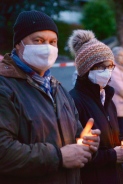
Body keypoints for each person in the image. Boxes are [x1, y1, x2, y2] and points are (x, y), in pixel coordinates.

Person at [0, 10, 101, 184]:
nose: (47, 47)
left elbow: (76, 136)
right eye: (38, 40)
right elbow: (3, 152)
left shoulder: (56, 87)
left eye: (52, 42)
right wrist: (59, 157)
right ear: (18, 44)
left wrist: (87, 144)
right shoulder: (5, 86)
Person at [68, 29, 123, 184]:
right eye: (101, 67)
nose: (107, 72)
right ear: (85, 69)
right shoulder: (73, 101)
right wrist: (113, 155)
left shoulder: (107, 98)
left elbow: (113, 141)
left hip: (115, 177)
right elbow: (74, 153)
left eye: (110, 66)